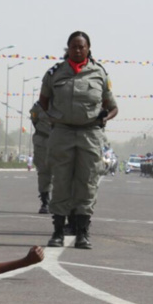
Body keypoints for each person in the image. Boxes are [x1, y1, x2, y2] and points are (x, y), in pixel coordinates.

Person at [39, 31, 118, 249]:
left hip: (90, 135)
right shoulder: (55, 72)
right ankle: (57, 232)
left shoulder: (99, 73)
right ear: (68, 48)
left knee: (87, 183)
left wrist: (104, 118)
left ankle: (82, 233)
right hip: (62, 134)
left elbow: (113, 107)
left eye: (81, 46)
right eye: (74, 46)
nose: (77, 50)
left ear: (88, 48)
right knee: (61, 181)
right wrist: (53, 119)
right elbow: (43, 101)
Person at [30, 100, 53, 213]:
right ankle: (45, 201)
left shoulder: (67, 102)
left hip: (61, 141)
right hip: (42, 141)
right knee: (43, 171)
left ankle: (61, 203)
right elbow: (34, 119)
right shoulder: (39, 105)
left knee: (63, 173)